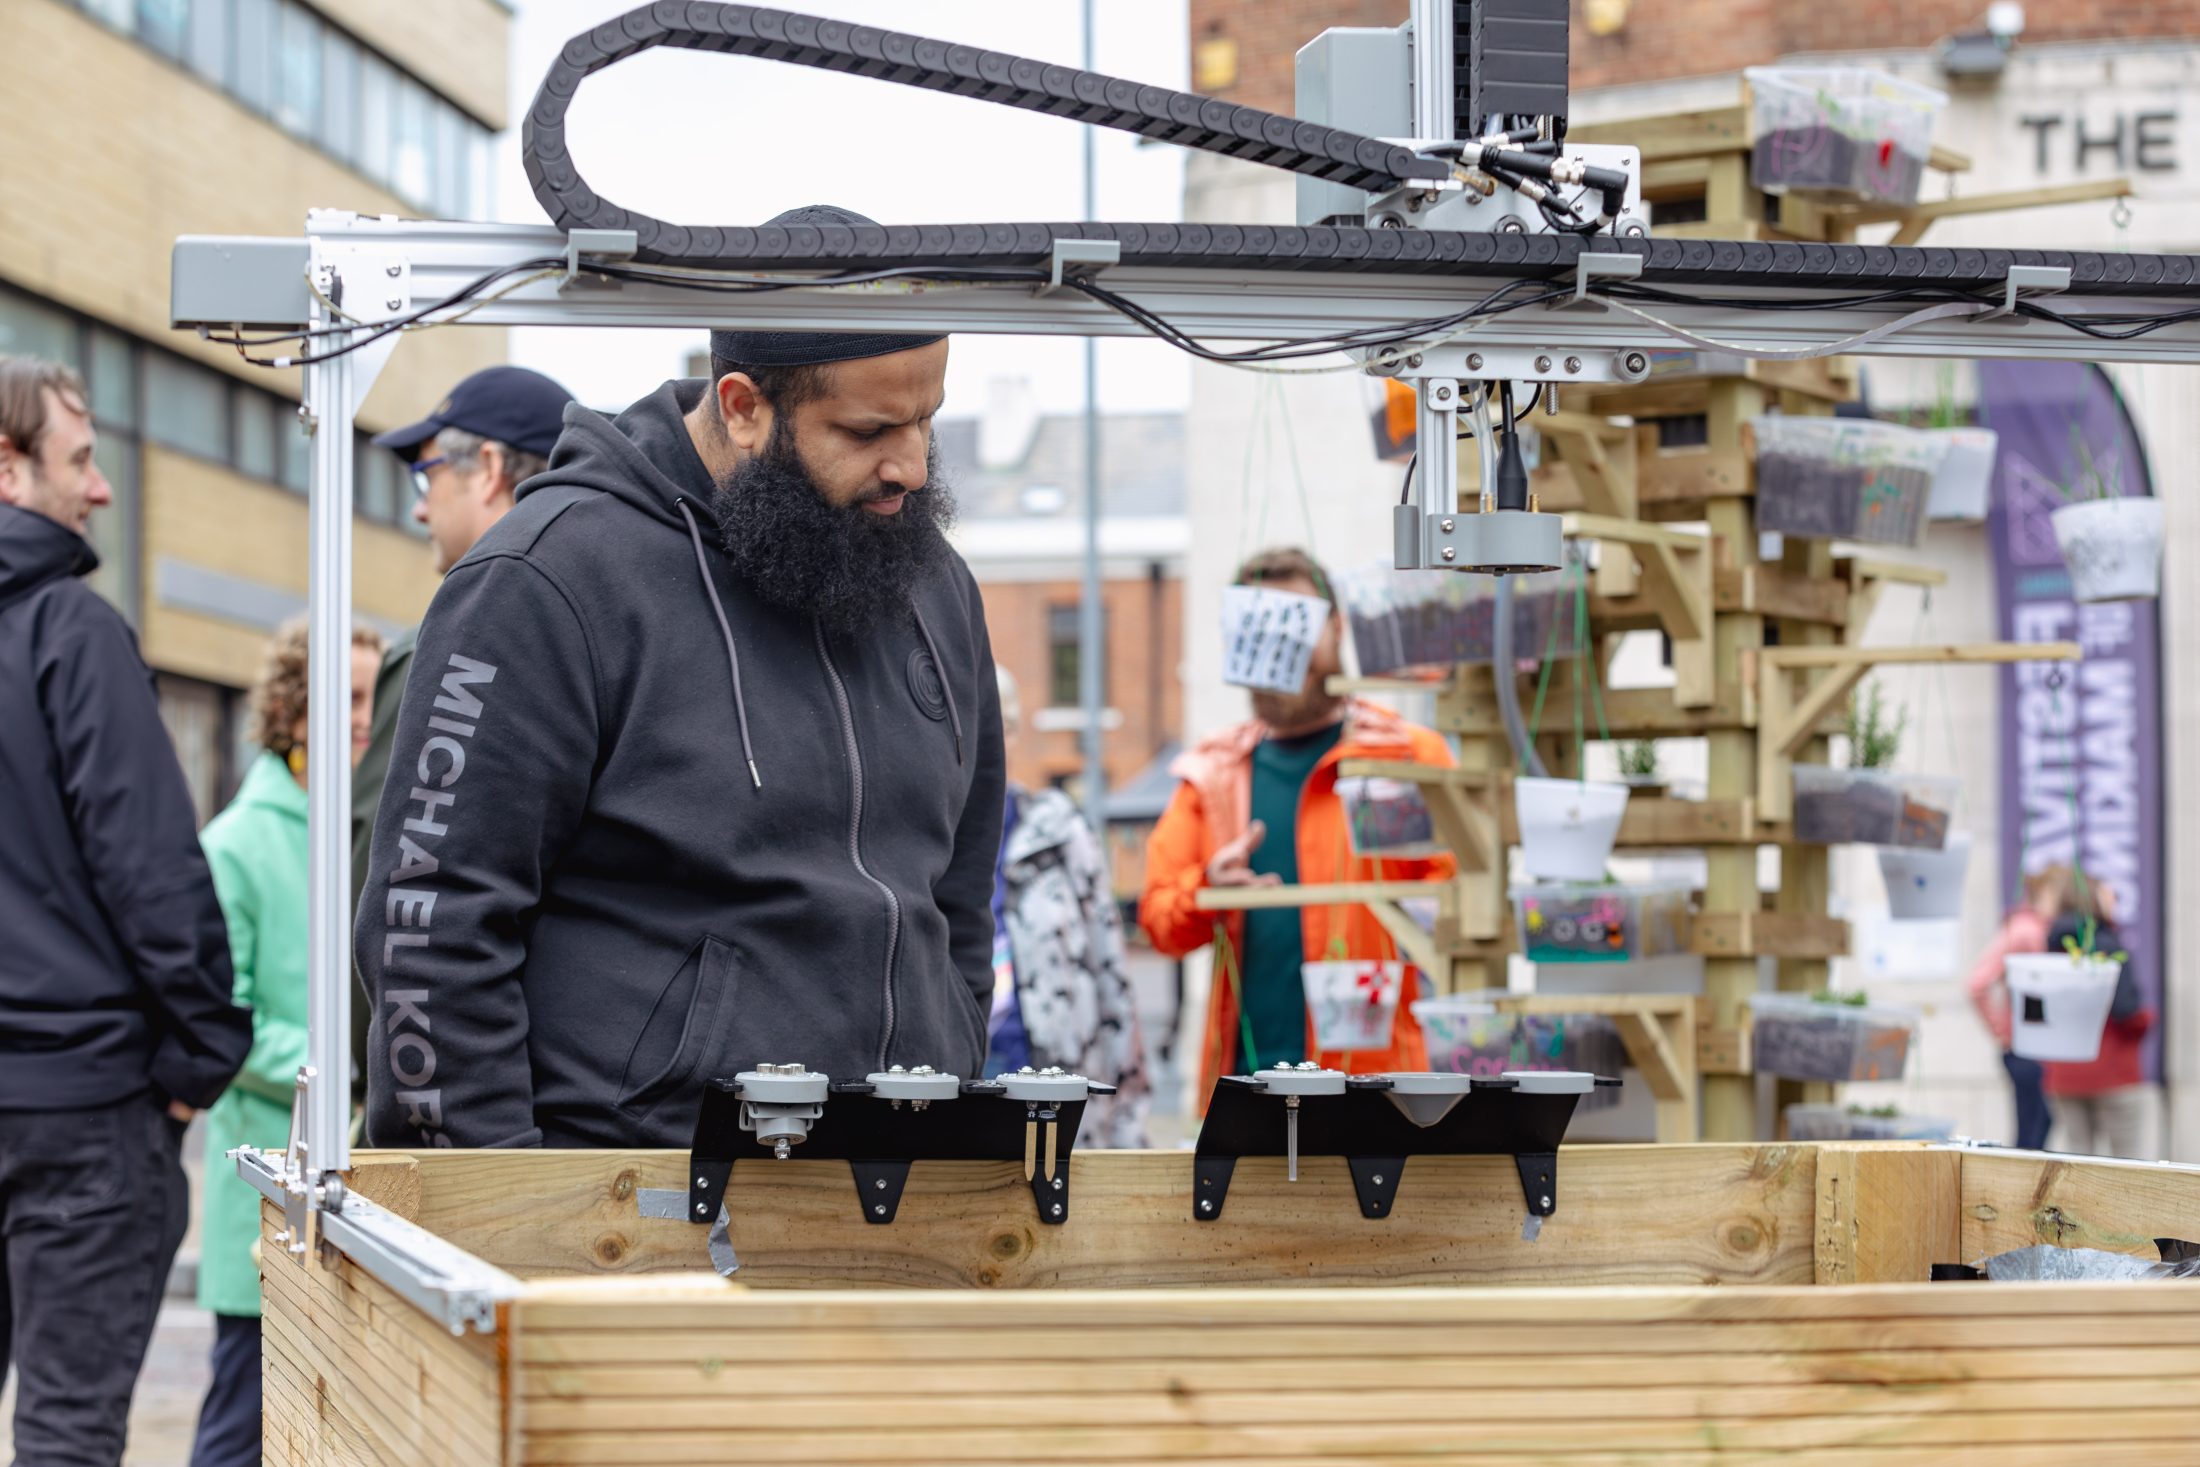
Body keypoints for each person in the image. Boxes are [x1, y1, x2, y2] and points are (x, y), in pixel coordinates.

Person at [356, 204, 1004, 1149]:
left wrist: (956, 1059)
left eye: (926, 420)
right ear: (743, 407)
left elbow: (960, 898)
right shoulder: (550, 580)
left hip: (896, 1199)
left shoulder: (933, 588)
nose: (909, 463)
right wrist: (500, 1228)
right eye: (868, 429)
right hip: (631, 1216)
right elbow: (432, 929)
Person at [0, 356, 250, 1464]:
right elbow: (151, 870)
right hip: (81, 1108)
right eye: (81, 458)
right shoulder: (69, 632)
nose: (99, 490)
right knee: (66, 1427)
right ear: (7, 469)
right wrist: (202, 1059)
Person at [1139, 547, 1457, 1101]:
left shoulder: (1408, 758)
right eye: (1259, 628)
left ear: (1337, 628)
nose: (1281, 648)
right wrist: (1208, 891)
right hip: (1245, 1091)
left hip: (1378, 1090)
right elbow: (1159, 923)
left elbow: (1462, 904)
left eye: (1297, 625)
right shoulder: (1211, 774)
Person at [189, 616, 382, 1467]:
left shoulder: (367, 830)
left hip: (354, 1179)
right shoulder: (234, 844)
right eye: (347, 697)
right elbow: (217, 1021)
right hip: (268, 1187)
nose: (367, 718)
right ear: (293, 709)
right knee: (242, 1429)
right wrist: (345, 1057)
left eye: (375, 695)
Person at [349, 366, 574, 1086]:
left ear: (489, 471)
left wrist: (374, 1084)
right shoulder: (608, 630)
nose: (420, 511)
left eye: (427, 477)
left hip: (458, 1095)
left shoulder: (439, 653)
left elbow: (387, 895)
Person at [987, 666, 1150, 1146]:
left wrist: (1128, 1124)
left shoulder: (1058, 835)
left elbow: (1111, 977)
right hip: (953, 1080)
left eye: (993, 722)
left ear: (1012, 732)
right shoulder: (917, 843)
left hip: (1051, 1084)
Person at [2042, 880, 2160, 1159]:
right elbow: (2127, 1011)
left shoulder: (2051, 947)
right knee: (2126, 1165)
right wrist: (2147, 1019)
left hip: (2065, 1074)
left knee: (2077, 1162)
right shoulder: (2106, 944)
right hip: (2113, 1071)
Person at [1966, 864, 2072, 1151]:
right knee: (2032, 1132)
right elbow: (1977, 983)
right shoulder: (2026, 930)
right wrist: (2003, 1031)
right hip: (2025, 1047)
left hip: (2029, 1046)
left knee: (2038, 1124)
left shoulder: (2032, 927)